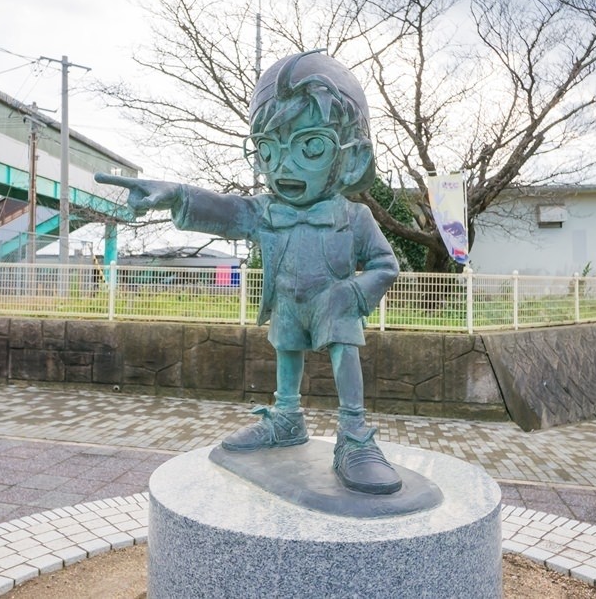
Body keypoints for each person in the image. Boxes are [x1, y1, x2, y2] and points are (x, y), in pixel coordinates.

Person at [96, 51, 402, 494]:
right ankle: (285, 418)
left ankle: (354, 434)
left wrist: (352, 294)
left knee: (343, 349)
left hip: (334, 301)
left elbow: (385, 265)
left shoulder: (353, 218)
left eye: (310, 146)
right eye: (268, 150)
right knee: (286, 348)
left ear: (351, 158)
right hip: (288, 303)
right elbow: (227, 210)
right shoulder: (265, 212)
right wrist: (175, 194)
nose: (282, 167)